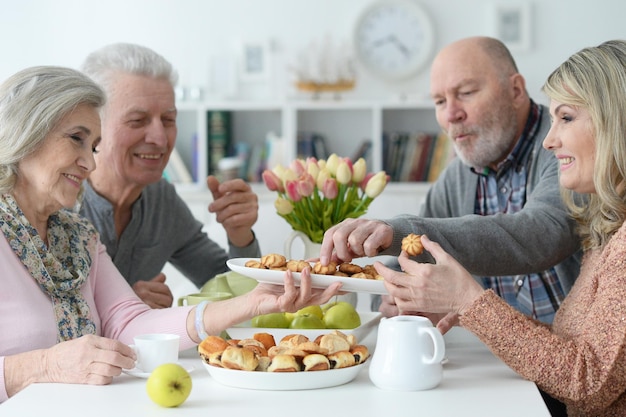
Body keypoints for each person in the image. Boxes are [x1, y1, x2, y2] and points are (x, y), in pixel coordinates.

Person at [0, 66, 341, 402]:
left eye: (93, 146)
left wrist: (253, 302)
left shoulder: (79, 237)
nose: (89, 163)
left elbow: (128, 322)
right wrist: (44, 365)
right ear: (26, 132)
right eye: (77, 139)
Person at [374, 39, 626, 417]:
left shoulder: (576, 186)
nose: (550, 140)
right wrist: (421, 298)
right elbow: (570, 346)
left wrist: (467, 302)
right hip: (530, 379)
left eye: (467, 93)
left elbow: (585, 381)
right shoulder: (608, 230)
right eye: (440, 102)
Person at [320, 36, 581, 329]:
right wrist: (393, 294)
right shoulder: (455, 179)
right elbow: (401, 265)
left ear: (516, 90)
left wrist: (397, 231)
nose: (451, 114)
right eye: (440, 101)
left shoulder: (567, 147)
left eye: (466, 92)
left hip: (569, 358)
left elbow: (540, 235)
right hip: (496, 358)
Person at [79, 43, 261, 308]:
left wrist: (240, 234)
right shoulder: (55, 199)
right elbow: (28, 324)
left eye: (168, 119)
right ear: (94, 124)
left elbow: (233, 291)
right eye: (138, 120)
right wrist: (120, 309)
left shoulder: (161, 201)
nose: (160, 138)